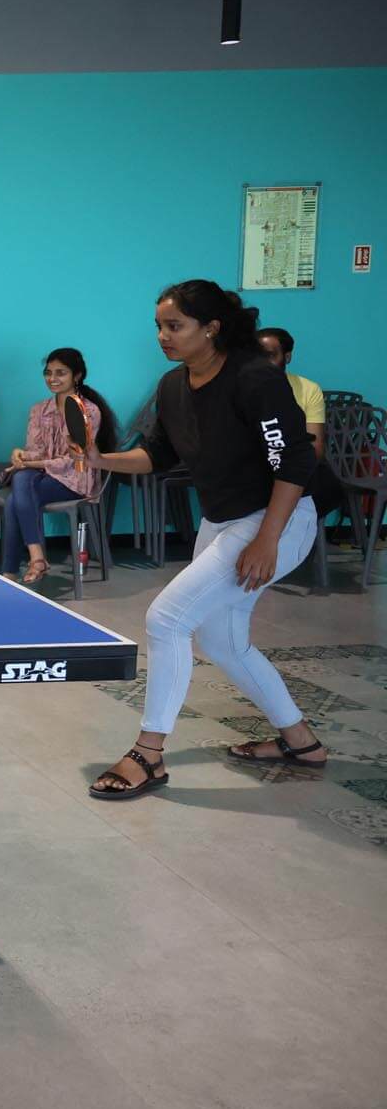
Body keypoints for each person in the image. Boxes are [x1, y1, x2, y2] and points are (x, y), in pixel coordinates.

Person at [83, 280, 329, 800]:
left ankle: (148, 754)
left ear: (211, 328)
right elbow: (158, 454)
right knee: (220, 639)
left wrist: (268, 540)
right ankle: (301, 742)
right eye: (159, 326)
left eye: (174, 326)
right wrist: (100, 459)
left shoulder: (255, 379)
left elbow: (296, 461)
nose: (162, 336)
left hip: (279, 518)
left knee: (167, 619)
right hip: (223, 520)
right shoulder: (173, 386)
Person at [0, 348, 118, 585]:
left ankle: (11, 573)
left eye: (60, 373)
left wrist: (30, 463)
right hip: (43, 478)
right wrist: (20, 453)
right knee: (20, 484)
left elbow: (73, 460)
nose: (52, 379)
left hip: (75, 479)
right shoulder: (38, 410)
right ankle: (35, 560)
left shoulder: (89, 412)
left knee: (18, 490)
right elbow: (35, 449)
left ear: (77, 376)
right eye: (48, 373)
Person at [256, 327, 326, 459]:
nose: (262, 363)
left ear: (287, 357)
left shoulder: (308, 389)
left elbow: (316, 448)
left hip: (294, 470)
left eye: (270, 355)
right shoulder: (240, 387)